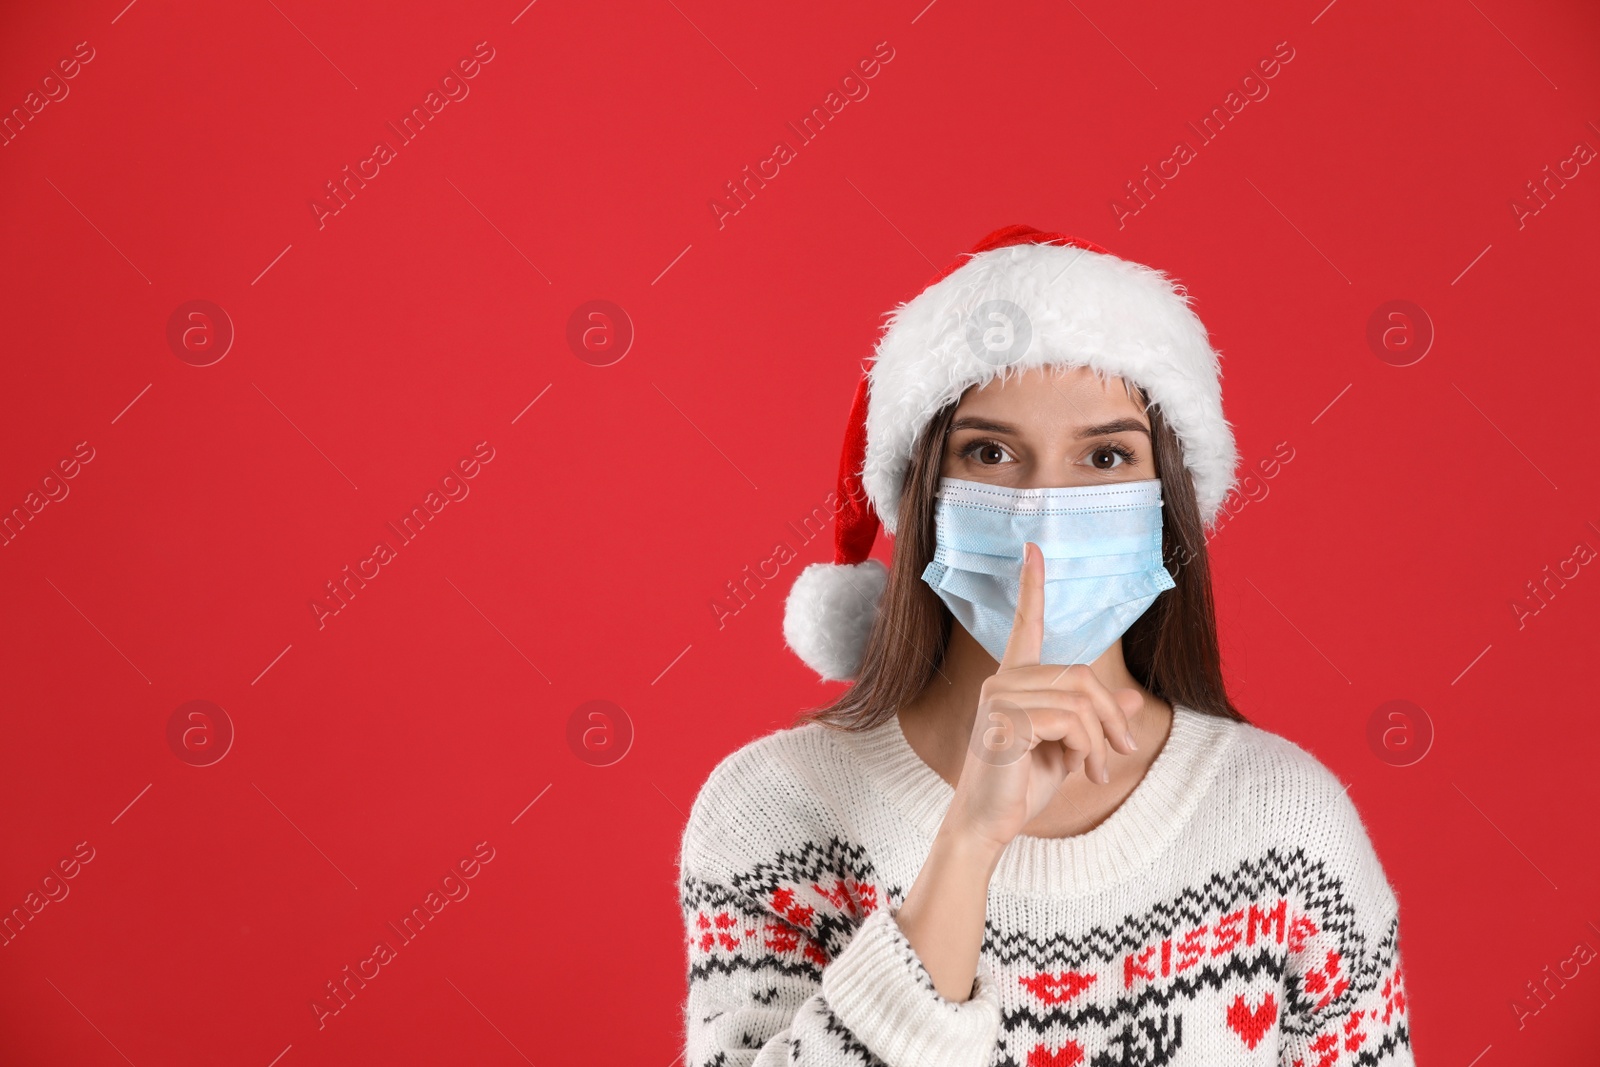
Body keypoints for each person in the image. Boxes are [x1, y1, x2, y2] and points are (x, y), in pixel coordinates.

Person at [676, 225, 1414, 1067]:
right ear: (924, 494)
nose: (1046, 509)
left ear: (1166, 499)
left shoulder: (1290, 830)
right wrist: (965, 847)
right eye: (989, 451)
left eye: (1106, 456)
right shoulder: (775, 814)